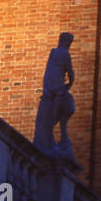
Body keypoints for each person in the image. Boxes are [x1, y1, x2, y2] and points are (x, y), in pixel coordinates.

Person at [34, 32, 76, 160]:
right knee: (58, 102)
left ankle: (53, 123)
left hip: (49, 83)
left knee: (57, 98)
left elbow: (49, 69)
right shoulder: (65, 53)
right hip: (57, 84)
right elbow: (71, 72)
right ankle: (53, 120)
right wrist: (69, 84)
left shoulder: (53, 52)